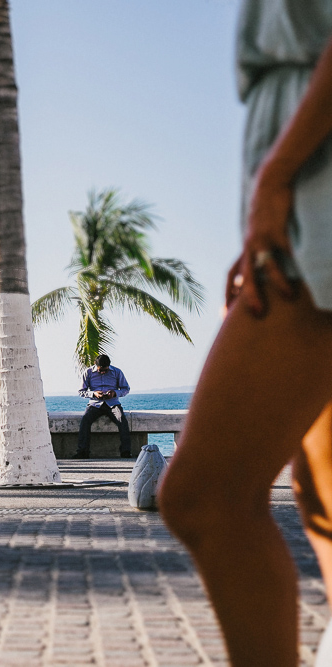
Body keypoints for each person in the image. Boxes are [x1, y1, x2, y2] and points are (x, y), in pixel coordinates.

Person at [158, 3, 332, 665]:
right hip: (302, 182)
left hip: (316, 181)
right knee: (322, 497)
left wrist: (280, 175)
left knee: (207, 493)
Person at [71, 354, 132, 459]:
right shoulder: (88, 373)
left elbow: (126, 388)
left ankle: (125, 452)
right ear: (96, 365)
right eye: (100, 370)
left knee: (122, 420)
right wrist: (94, 394)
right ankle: (83, 452)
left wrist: (115, 393)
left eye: (105, 370)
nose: (103, 372)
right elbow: (81, 392)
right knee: (85, 421)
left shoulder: (117, 372)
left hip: (113, 404)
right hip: (95, 404)